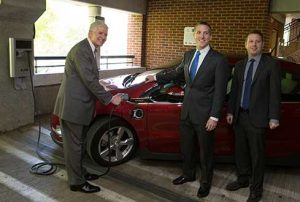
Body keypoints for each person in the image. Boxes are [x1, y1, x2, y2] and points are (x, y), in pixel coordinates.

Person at [145, 21, 229, 198]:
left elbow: (220, 91)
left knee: (205, 152)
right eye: (199, 32)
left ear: (210, 37)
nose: (202, 36)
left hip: (205, 114)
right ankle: (188, 174)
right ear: (194, 35)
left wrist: (214, 116)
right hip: (187, 112)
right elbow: (176, 73)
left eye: (206, 33)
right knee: (187, 147)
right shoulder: (189, 55)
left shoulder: (219, 59)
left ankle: (205, 183)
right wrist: (155, 76)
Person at [53, 20, 123, 193]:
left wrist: (103, 88)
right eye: (100, 33)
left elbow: (89, 78)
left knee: (79, 144)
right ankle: (76, 182)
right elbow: (89, 80)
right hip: (73, 107)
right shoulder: (82, 50)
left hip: (80, 107)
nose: (103, 37)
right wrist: (110, 98)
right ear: (90, 32)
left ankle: (80, 172)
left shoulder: (90, 50)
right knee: (74, 146)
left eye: (105, 34)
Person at [225, 30, 281, 202]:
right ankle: (242, 179)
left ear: (262, 45)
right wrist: (230, 111)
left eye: (257, 41)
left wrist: (274, 117)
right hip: (240, 116)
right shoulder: (240, 65)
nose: (254, 44)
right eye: (251, 41)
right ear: (246, 44)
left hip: (258, 118)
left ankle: (256, 189)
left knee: (257, 156)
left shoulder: (270, 65)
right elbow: (234, 91)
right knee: (240, 151)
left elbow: (274, 93)